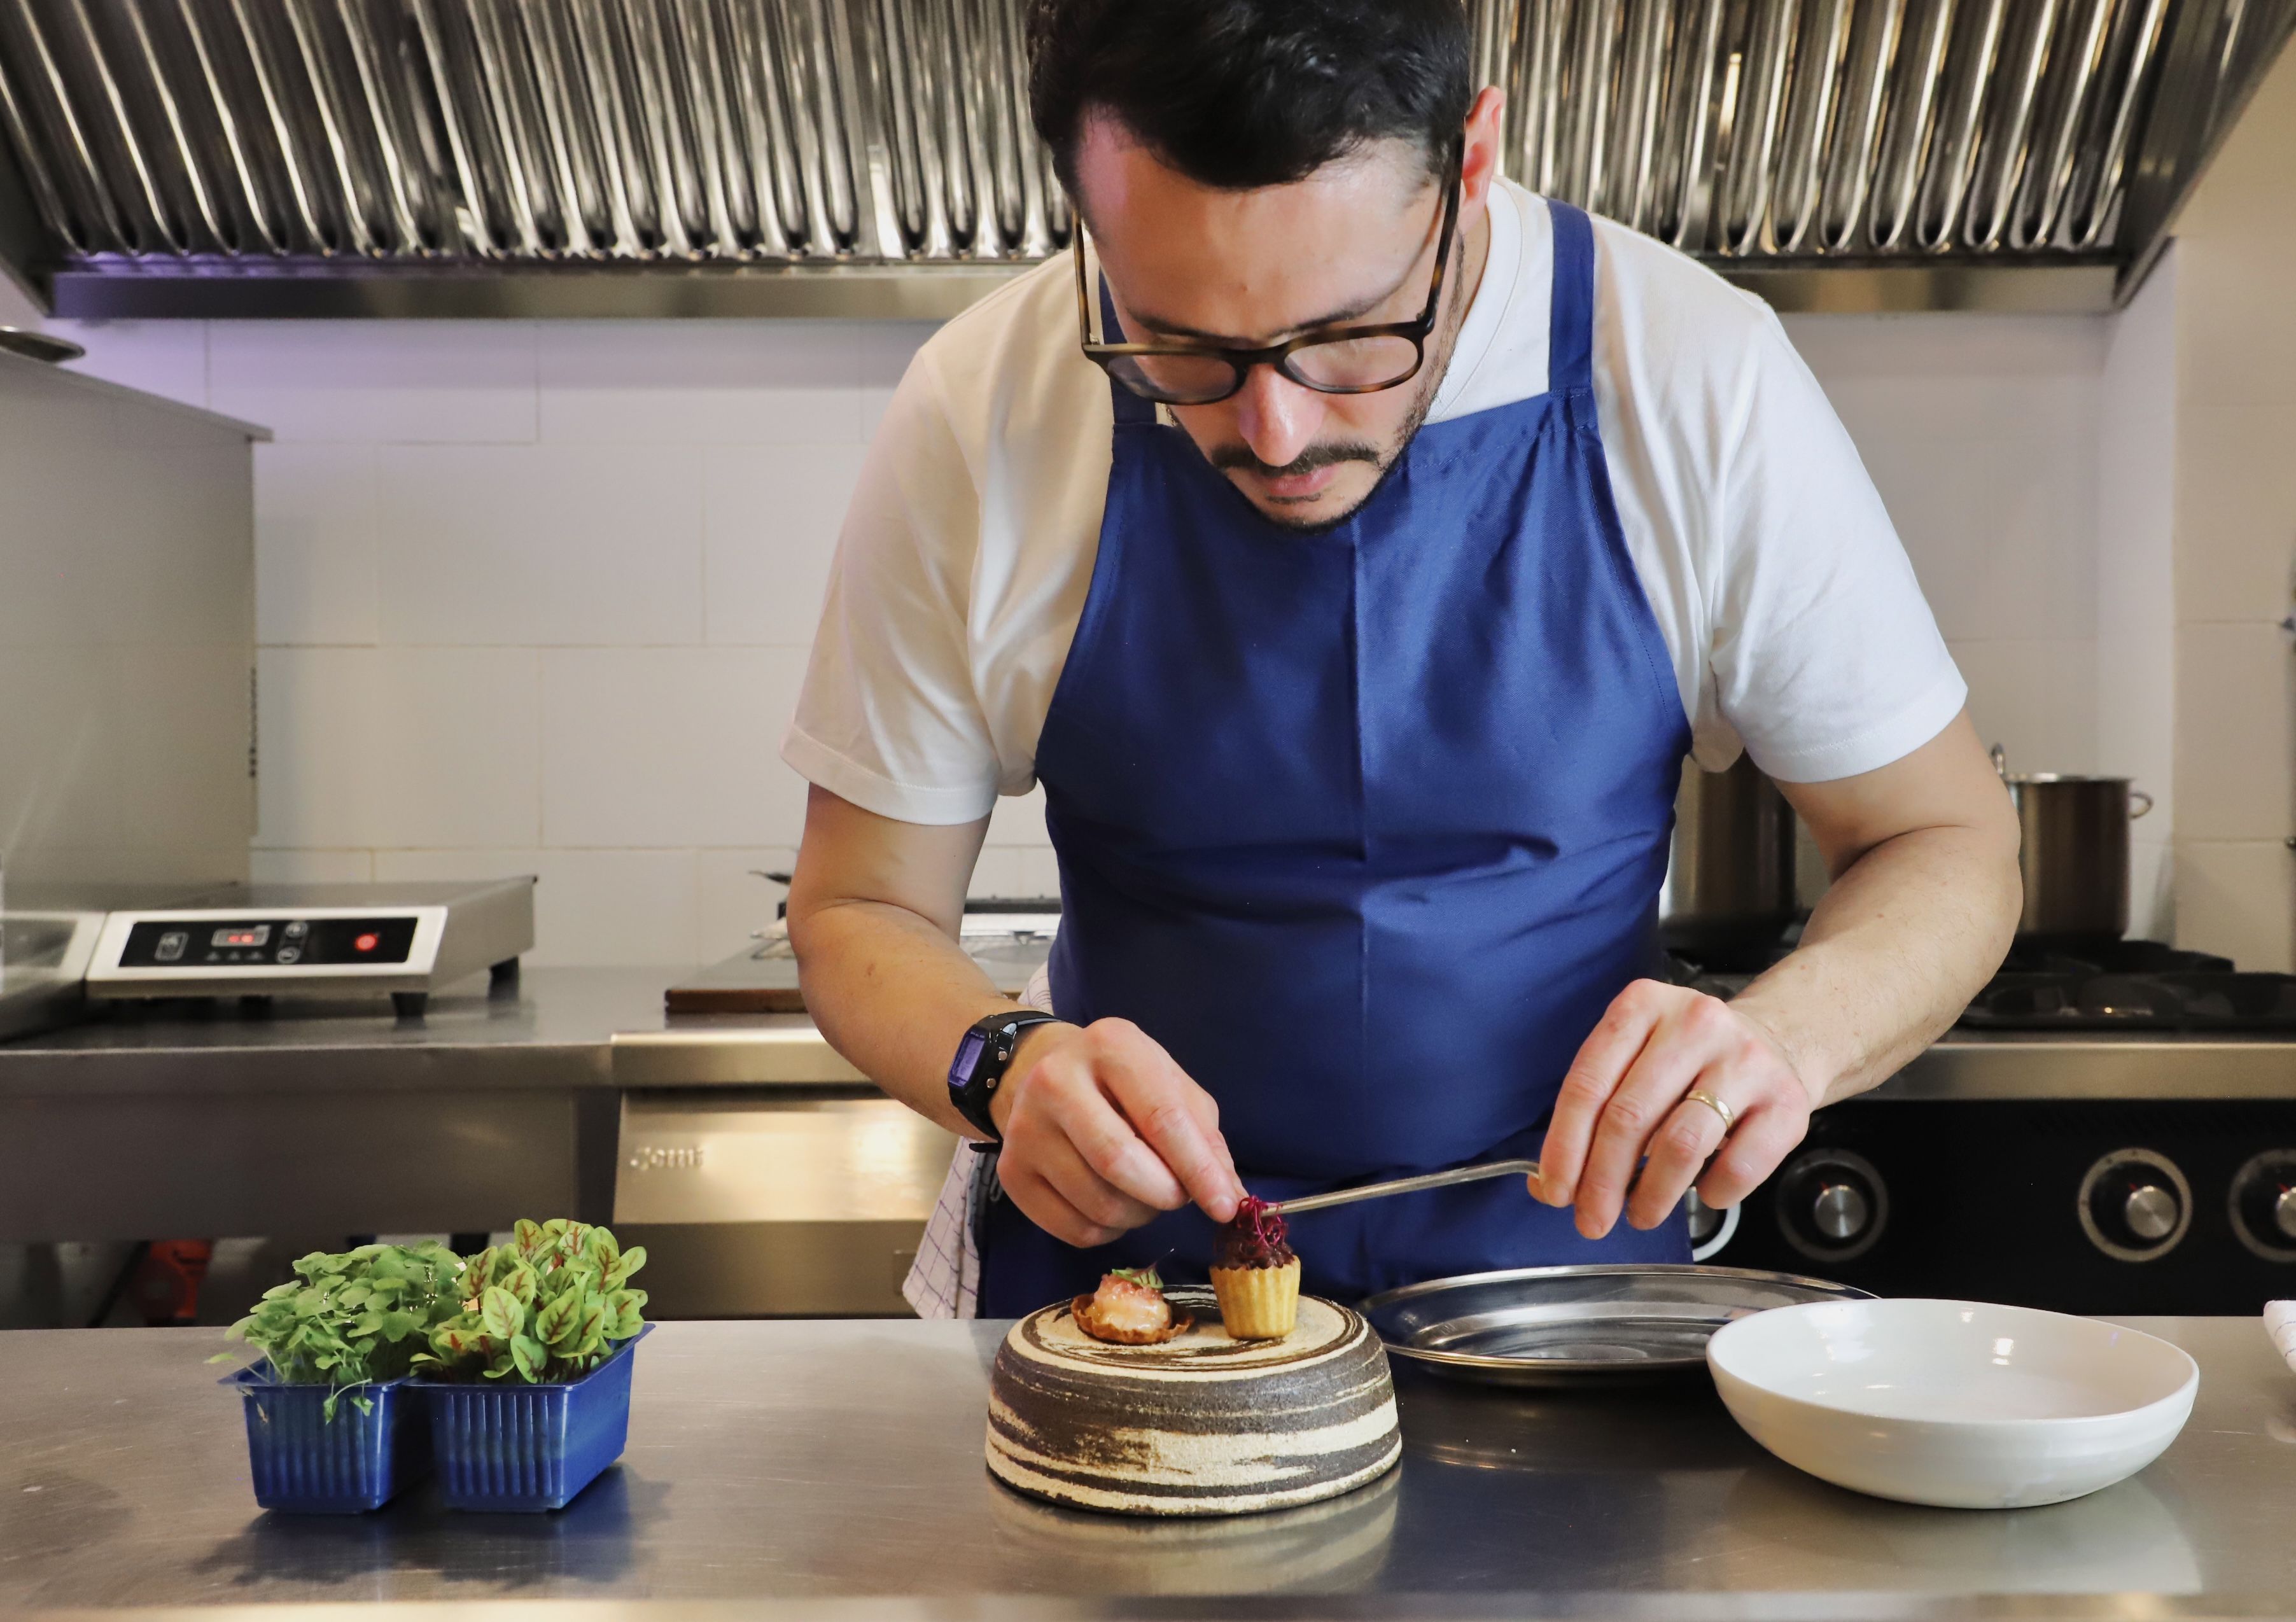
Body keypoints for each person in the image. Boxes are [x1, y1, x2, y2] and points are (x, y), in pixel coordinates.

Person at [781, 0, 2020, 1317]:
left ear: (1470, 160)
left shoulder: (1692, 375)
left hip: (1562, 1303)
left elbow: (1945, 843)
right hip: (1125, 1309)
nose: (1275, 428)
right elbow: (859, 907)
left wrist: (1783, 1040)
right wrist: (1002, 1066)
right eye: (1181, 345)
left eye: (1351, 334)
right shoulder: (982, 408)